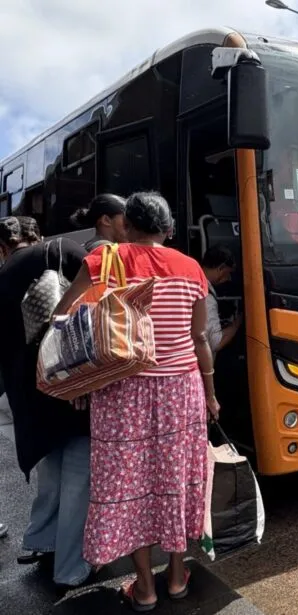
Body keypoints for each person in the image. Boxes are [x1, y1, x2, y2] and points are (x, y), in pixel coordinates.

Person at [53, 192, 219, 611]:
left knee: (128, 486)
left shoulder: (104, 263)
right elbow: (199, 338)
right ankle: (177, 576)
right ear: (169, 229)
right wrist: (212, 394)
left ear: (126, 225)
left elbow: (62, 317)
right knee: (174, 480)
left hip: (120, 391)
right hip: (181, 391)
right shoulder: (191, 269)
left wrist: (78, 379)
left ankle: (144, 586)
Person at [0, 216, 92, 587]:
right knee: (78, 479)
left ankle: (39, 540)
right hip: (70, 384)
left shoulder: (3, 275)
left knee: (51, 469)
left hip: (28, 393)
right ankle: (71, 568)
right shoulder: (64, 250)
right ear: (38, 235)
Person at [201, 245, 243, 354]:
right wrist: (238, 322)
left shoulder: (193, 281)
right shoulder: (206, 297)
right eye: (228, 272)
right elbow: (216, 343)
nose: (229, 278)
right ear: (221, 268)